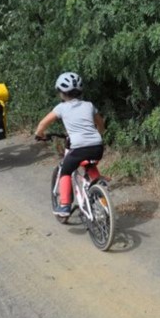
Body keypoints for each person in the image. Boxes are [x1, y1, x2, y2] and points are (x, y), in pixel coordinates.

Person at [34, 72, 106, 217]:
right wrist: (96, 135)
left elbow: (43, 124)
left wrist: (39, 135)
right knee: (89, 165)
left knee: (66, 171)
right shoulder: (89, 105)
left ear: (61, 93)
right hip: (97, 147)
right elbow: (101, 125)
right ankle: (102, 192)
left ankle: (65, 205)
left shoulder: (61, 108)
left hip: (79, 147)